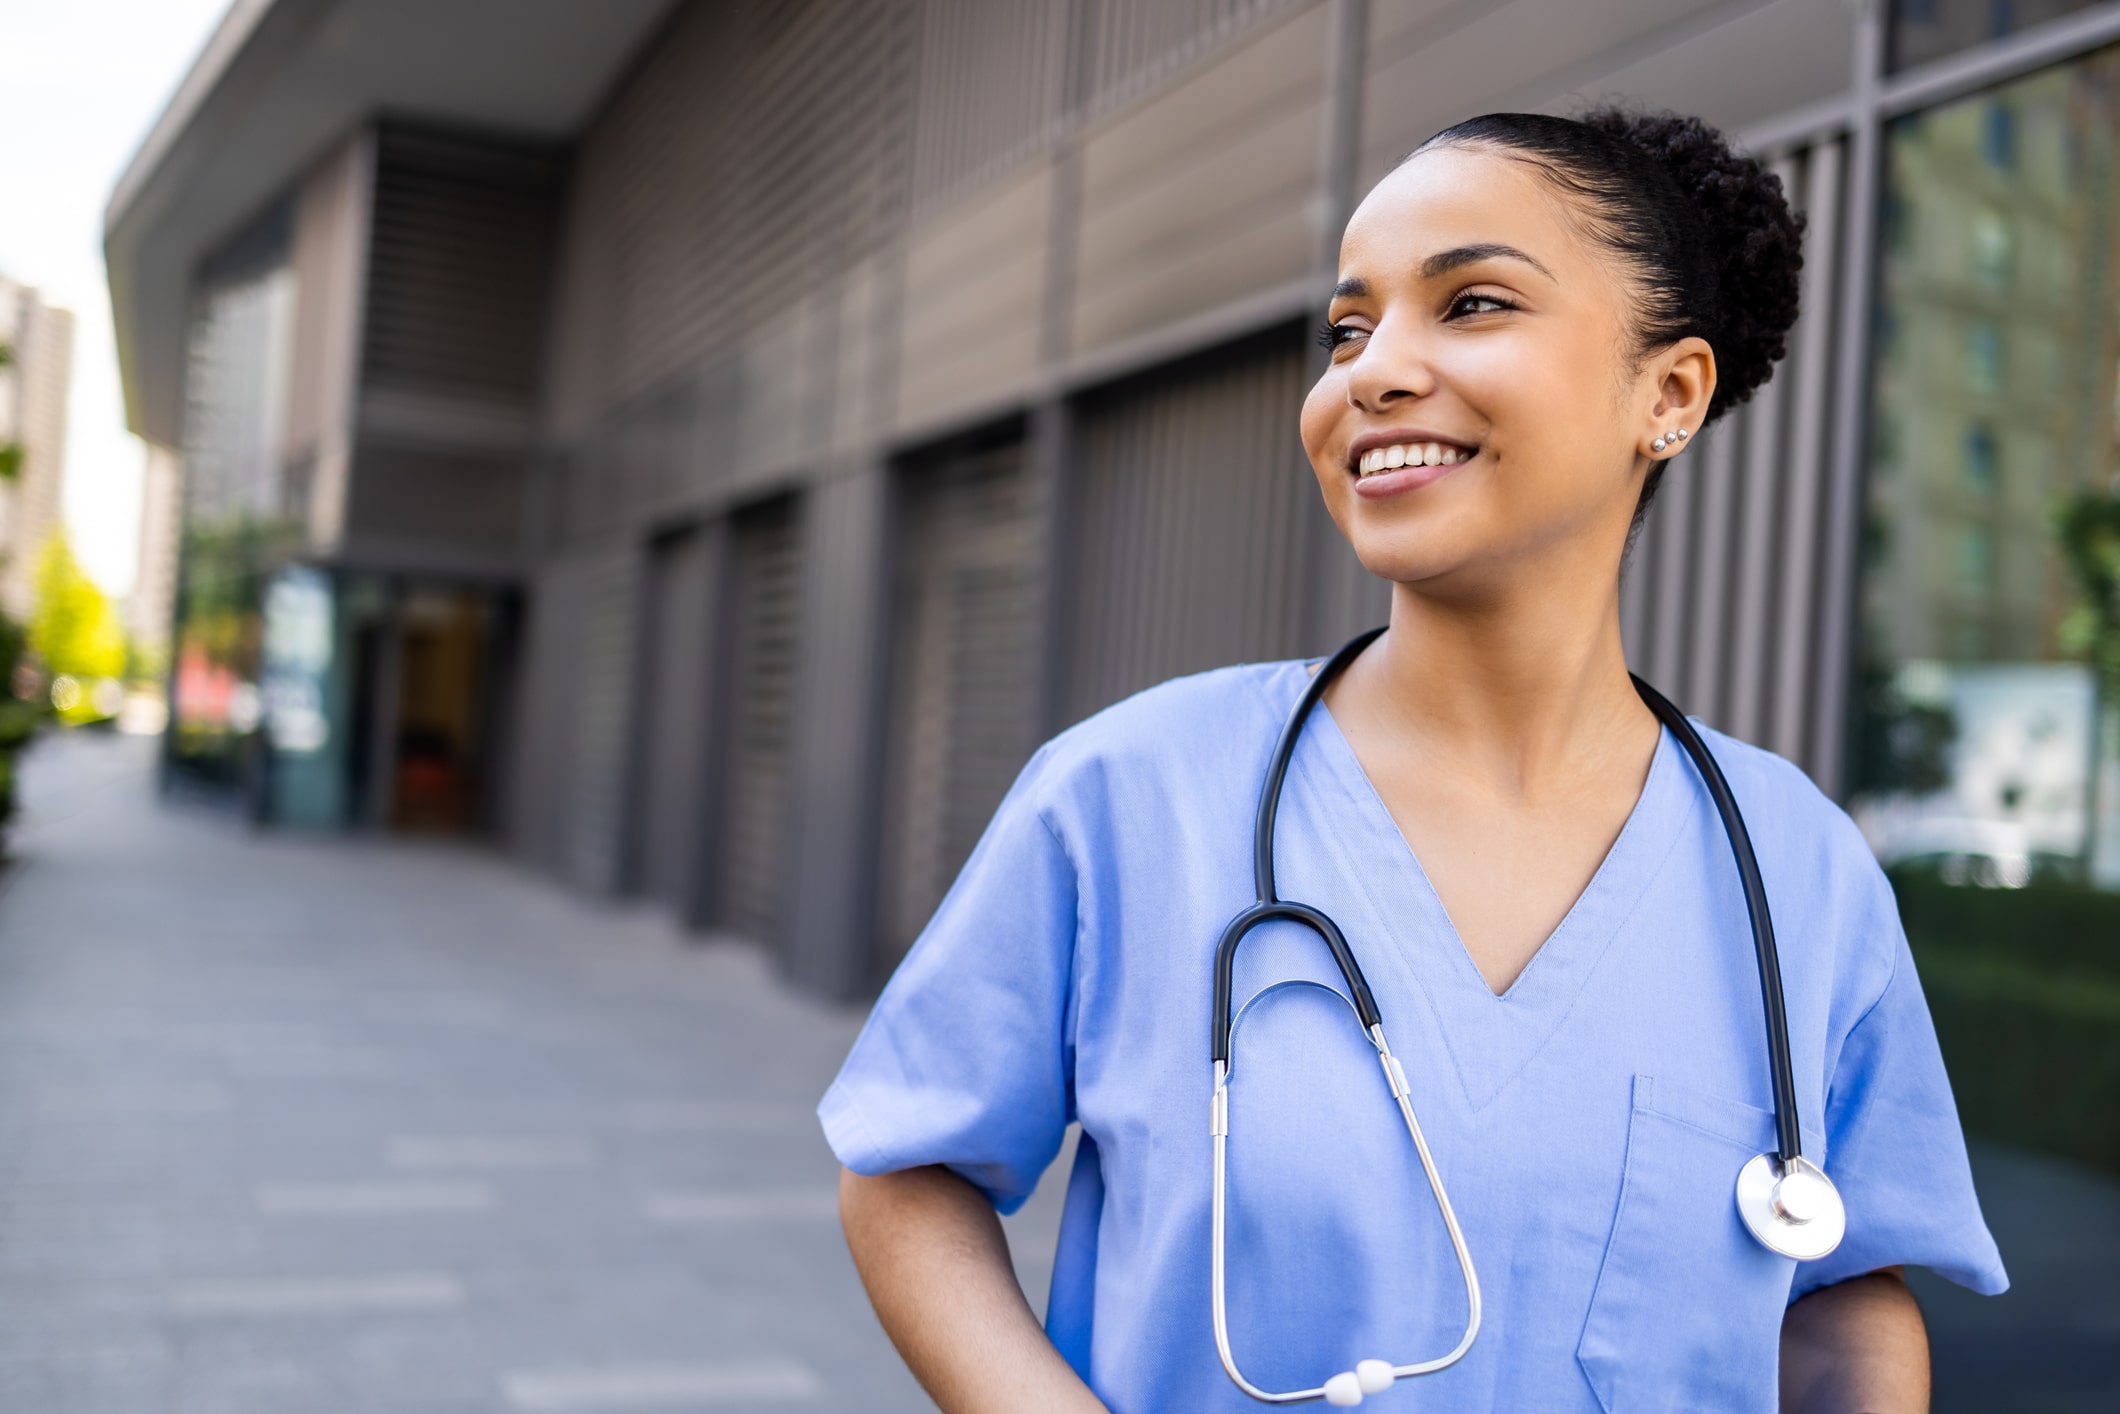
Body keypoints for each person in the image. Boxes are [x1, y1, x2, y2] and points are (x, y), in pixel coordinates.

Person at [820, 108, 2006, 1413]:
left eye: (1473, 302)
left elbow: (1843, 1304)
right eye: (1349, 328)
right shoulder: (1128, 793)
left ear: (1669, 394)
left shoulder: (1797, 866)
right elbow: (906, 1169)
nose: (1371, 373)